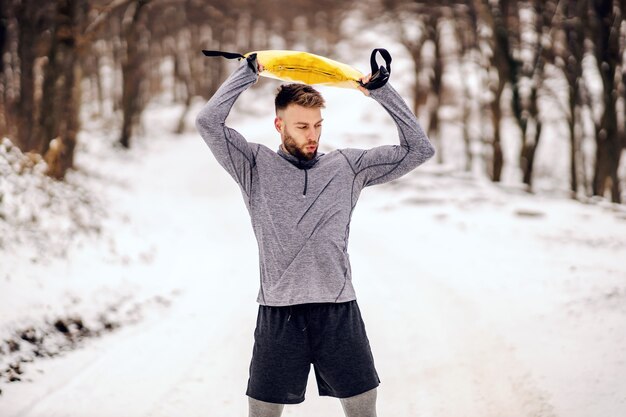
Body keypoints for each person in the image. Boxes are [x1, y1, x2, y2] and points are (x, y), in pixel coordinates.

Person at [195, 53, 435, 417]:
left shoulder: (348, 167)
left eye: (317, 125)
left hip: (338, 311)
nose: (313, 135)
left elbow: (419, 149)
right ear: (279, 125)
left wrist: (383, 93)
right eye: (302, 126)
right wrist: (247, 73)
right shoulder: (254, 165)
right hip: (279, 314)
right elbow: (208, 122)